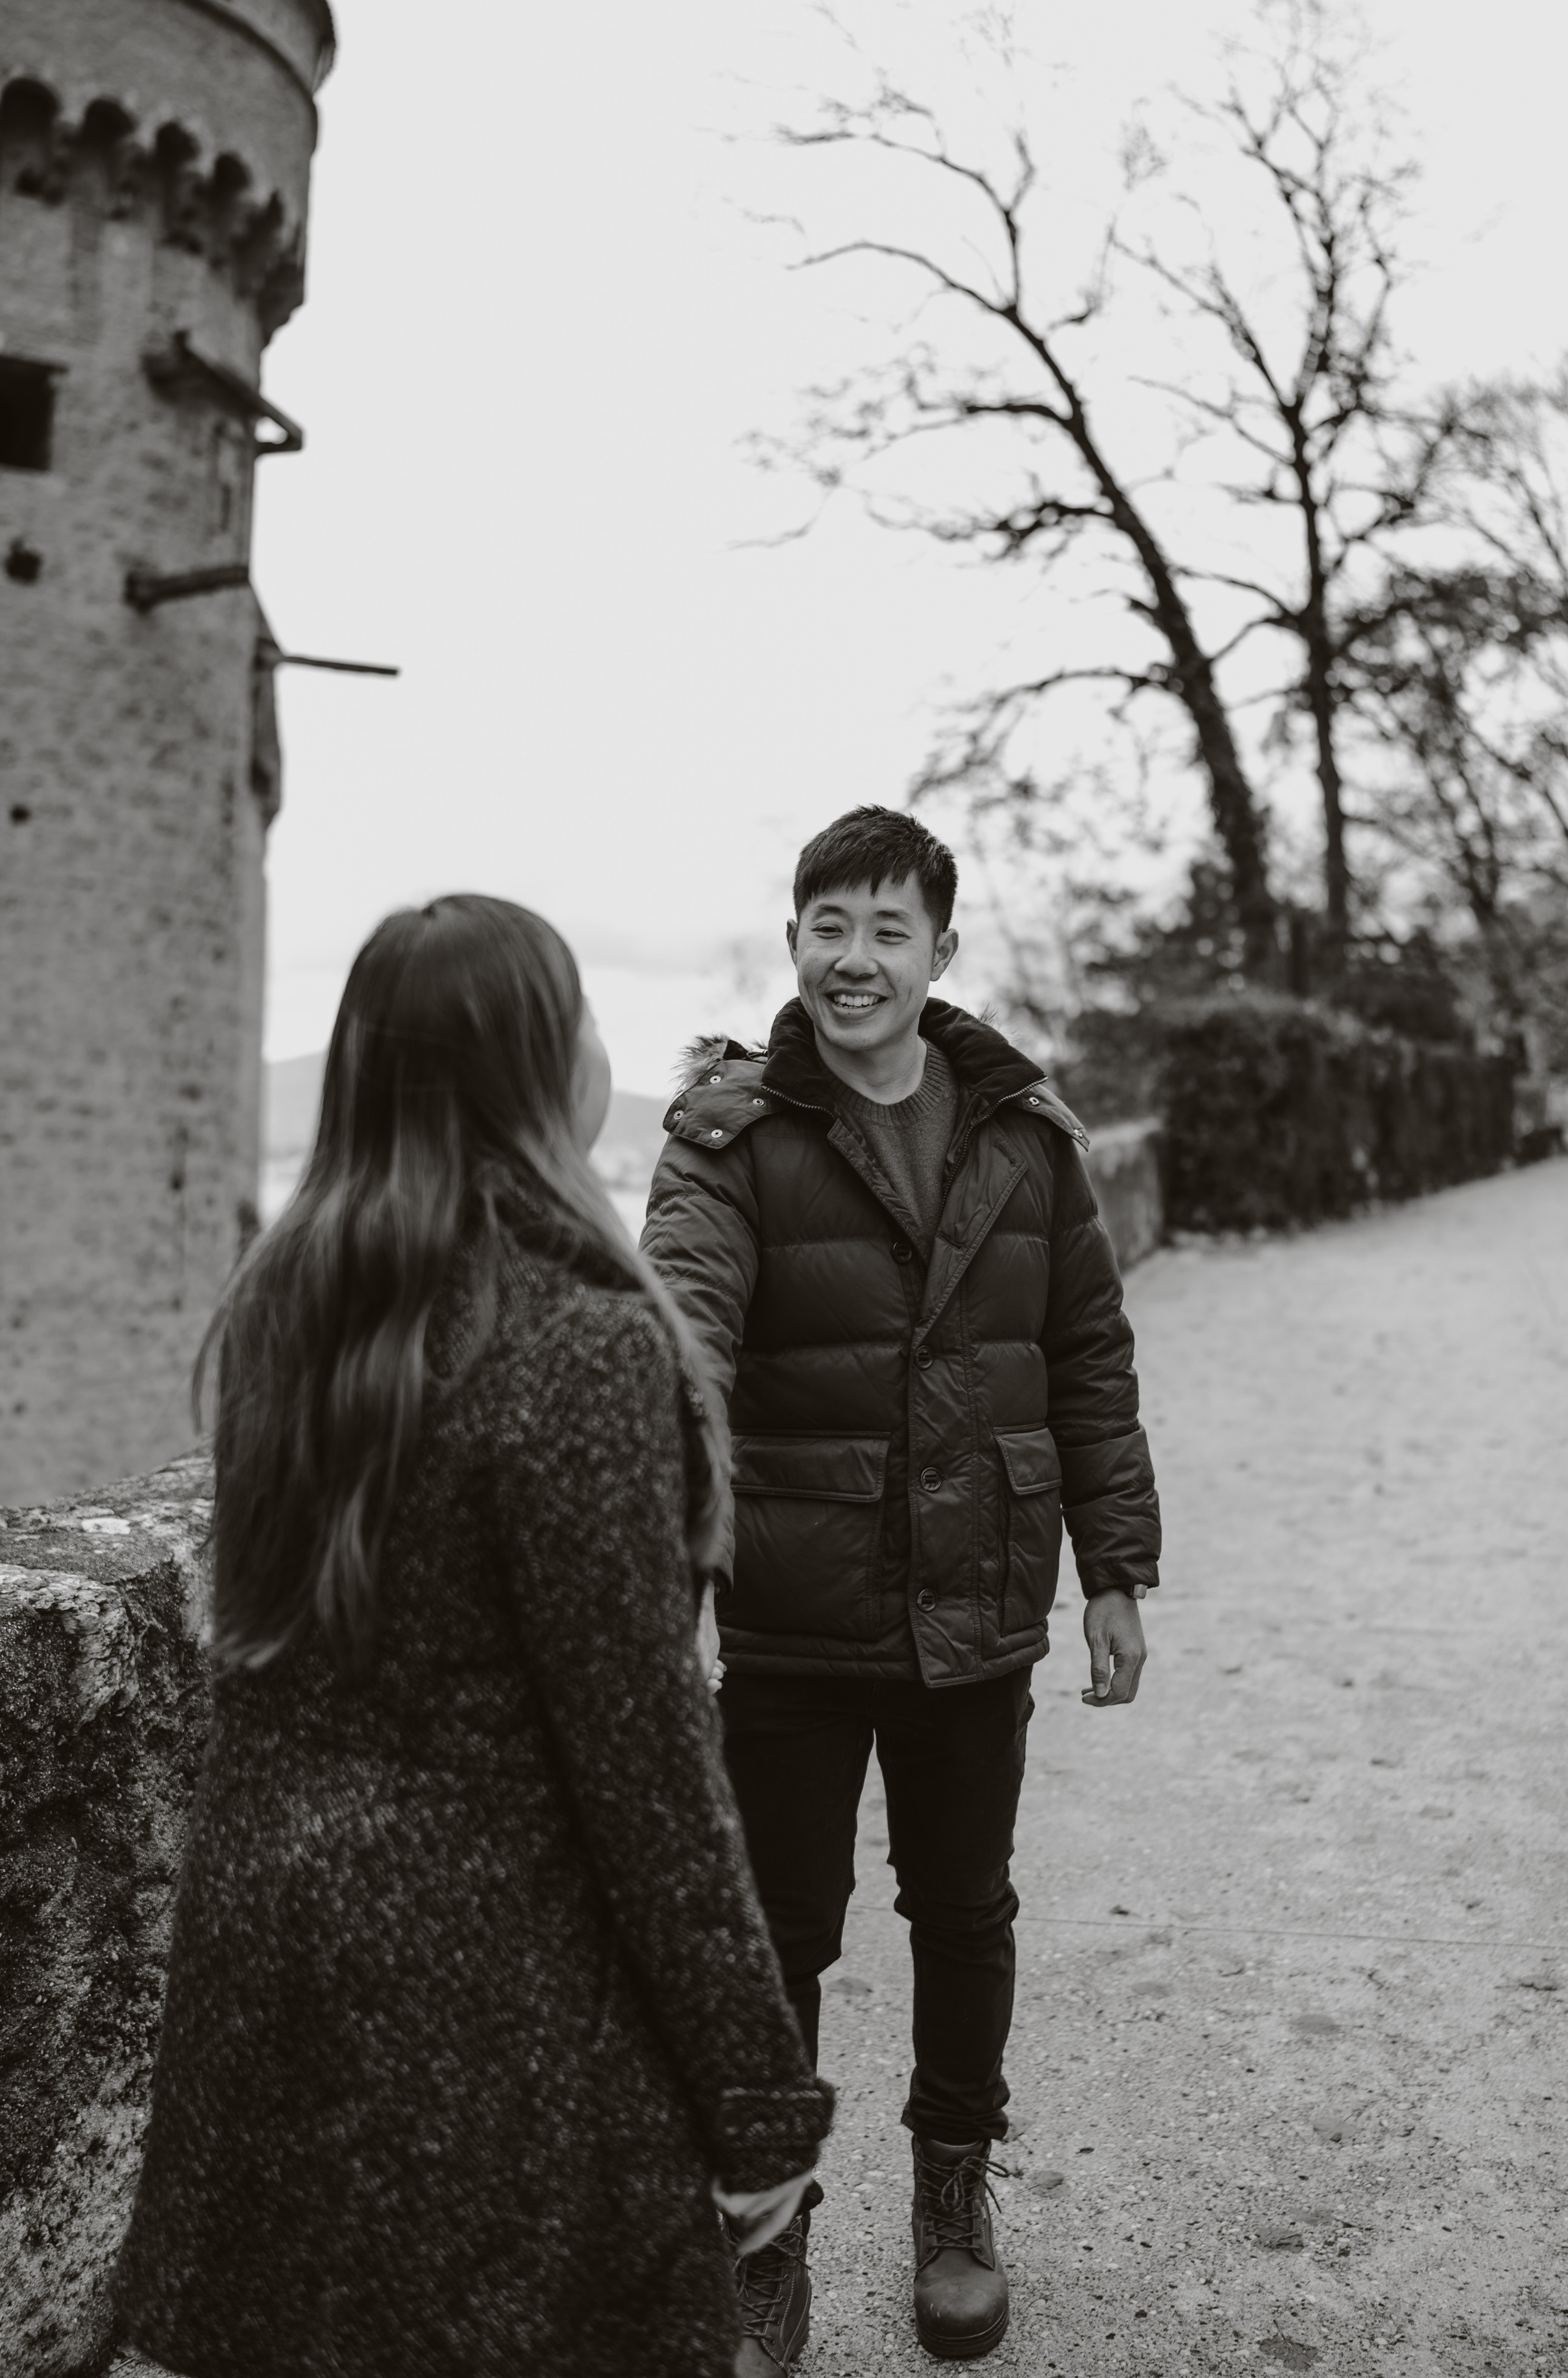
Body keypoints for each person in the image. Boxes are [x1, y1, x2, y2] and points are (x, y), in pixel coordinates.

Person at [114, 895, 832, 2378]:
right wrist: (756, 2110)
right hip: (487, 2013)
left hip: (270, 1972)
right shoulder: (575, 1347)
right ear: (539, 1068)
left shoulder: (285, 1310)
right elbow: (646, 1771)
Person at [642, 806, 1161, 2365]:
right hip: (795, 1608)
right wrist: (659, 1538)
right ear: (790, 941)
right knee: (776, 1933)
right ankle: (762, 2236)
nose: (851, 959)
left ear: (941, 951)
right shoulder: (723, 1137)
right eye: (826, 926)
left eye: (885, 930)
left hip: (980, 1597)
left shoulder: (1024, 1133)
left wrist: (1116, 1569)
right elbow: (684, 1328)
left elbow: (1085, 1359)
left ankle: (952, 2199)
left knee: (962, 1909)